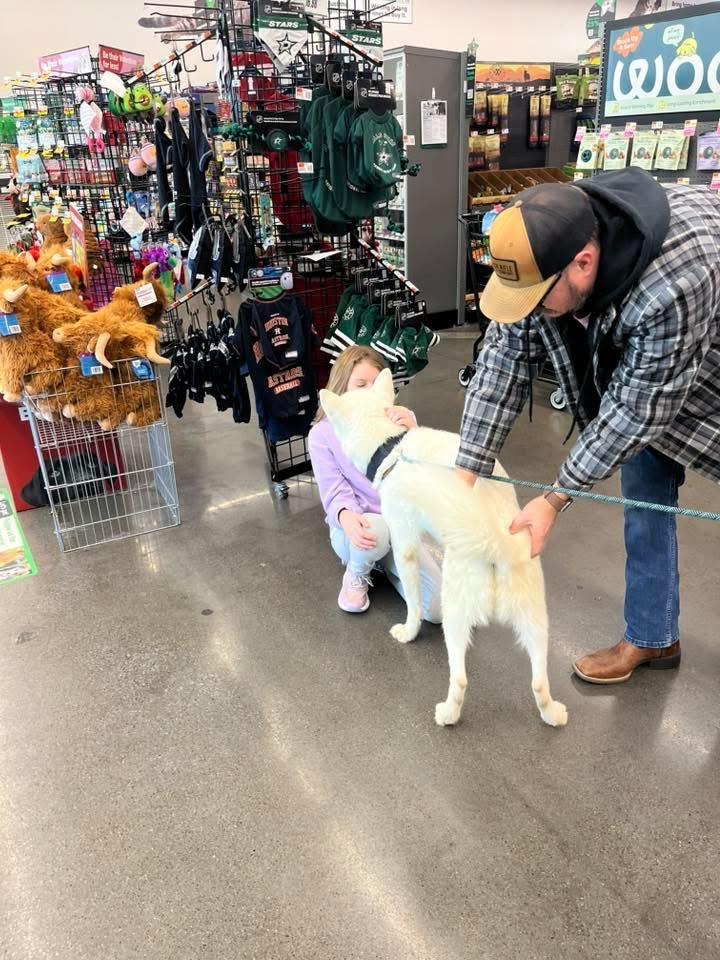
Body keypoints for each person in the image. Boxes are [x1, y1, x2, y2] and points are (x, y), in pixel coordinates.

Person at [455, 168, 720, 684]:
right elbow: (500, 364)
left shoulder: (676, 279)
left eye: (537, 298)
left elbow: (636, 411)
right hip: (648, 373)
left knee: (636, 435)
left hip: (706, 366)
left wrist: (554, 499)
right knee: (643, 488)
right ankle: (652, 637)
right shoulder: (546, 237)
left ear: (584, 263)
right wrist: (465, 476)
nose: (530, 311)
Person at [309, 345, 442, 618]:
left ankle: (385, 566)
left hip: (400, 524)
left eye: (375, 384)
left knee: (437, 611)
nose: (369, 392)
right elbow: (334, 489)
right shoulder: (322, 434)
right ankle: (357, 575)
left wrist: (414, 434)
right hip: (358, 529)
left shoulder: (398, 418)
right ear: (341, 385)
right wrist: (345, 516)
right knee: (375, 532)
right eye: (360, 384)